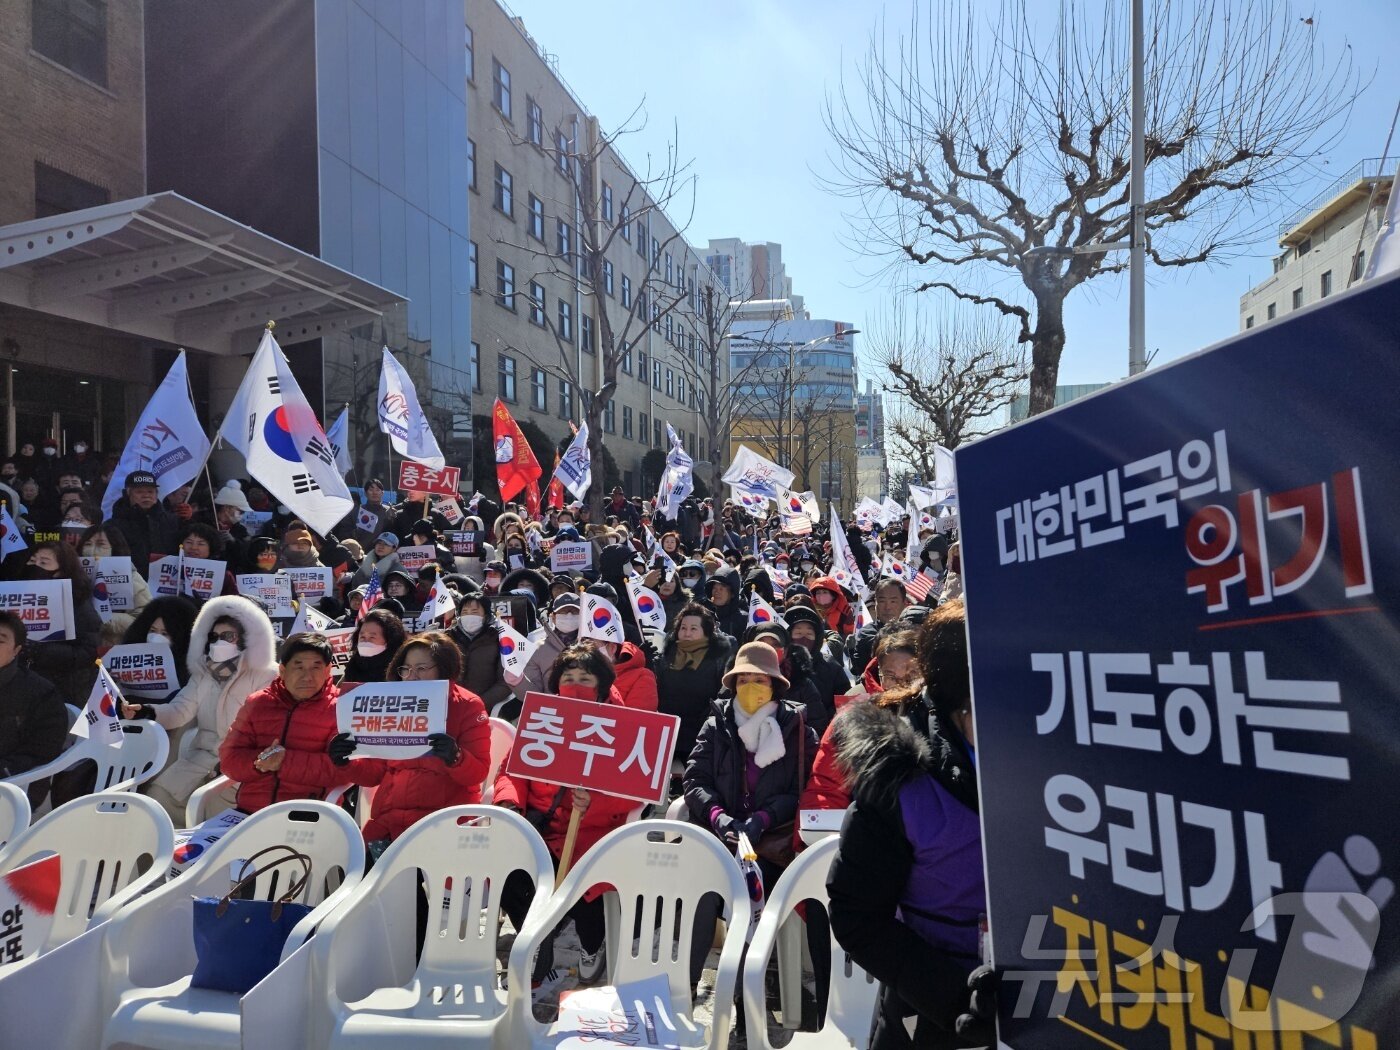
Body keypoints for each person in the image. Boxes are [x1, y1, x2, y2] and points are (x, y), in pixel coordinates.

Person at [826, 600, 994, 1049]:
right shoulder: (901, 781)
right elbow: (857, 914)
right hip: (933, 1011)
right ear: (956, 707)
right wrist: (951, 997)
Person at [494, 643, 640, 985]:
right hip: (539, 826)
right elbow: (511, 771)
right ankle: (536, 937)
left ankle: (593, 944)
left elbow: (635, 790)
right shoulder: (541, 719)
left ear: (602, 684)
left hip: (591, 830)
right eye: (568, 678)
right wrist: (509, 804)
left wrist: (595, 801)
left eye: (585, 679)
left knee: (585, 891)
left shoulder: (625, 726)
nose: (575, 685)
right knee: (509, 876)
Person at [684, 641, 817, 989]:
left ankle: (744, 993)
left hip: (770, 843)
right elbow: (695, 780)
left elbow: (802, 789)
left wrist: (763, 819)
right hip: (720, 838)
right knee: (703, 891)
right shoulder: (716, 725)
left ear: (775, 685)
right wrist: (718, 817)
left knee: (755, 895)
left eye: (760, 679)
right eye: (743, 680)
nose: (751, 687)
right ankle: (686, 986)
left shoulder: (798, 729)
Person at [118, 595, 279, 823]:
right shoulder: (204, 671)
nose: (219, 642)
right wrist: (147, 711)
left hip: (243, 764)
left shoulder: (268, 675)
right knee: (157, 800)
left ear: (247, 638)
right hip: (201, 758)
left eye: (228, 636)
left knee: (213, 813)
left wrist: (239, 761)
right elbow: (180, 710)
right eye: (214, 636)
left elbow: (268, 729)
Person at [329, 631, 492, 844]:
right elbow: (374, 774)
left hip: (445, 821)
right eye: (406, 669)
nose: (411, 676)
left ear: (444, 669)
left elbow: (478, 773)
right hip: (390, 821)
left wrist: (456, 757)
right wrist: (346, 762)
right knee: (355, 858)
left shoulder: (467, 705)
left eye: (421, 669)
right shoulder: (391, 704)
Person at [218, 633, 377, 812]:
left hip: (308, 814)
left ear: (328, 671)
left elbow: (348, 772)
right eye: (299, 667)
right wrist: (259, 763)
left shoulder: (342, 707)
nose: (307, 677)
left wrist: (285, 762)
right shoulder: (258, 703)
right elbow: (229, 760)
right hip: (251, 811)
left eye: (316, 667)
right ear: (282, 671)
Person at [0, 610, 68, 805]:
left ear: (16, 650)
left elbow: (42, 751)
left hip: (16, 788)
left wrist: (5, 770)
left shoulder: (41, 693)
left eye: (0, 641)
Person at [655, 603, 733, 769]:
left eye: (693, 629)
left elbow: (724, 693)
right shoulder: (666, 657)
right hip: (667, 732)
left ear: (706, 631)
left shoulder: (718, 659)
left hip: (700, 733)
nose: (687, 633)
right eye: (683, 628)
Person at [22, 540, 101, 701]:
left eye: (44, 562)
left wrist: (40, 650)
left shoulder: (77, 604)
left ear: (60, 571)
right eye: (32, 560)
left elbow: (88, 652)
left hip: (62, 690)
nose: (35, 566)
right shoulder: (13, 598)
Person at [119, 594, 201, 689]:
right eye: (153, 631)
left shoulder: (193, 676)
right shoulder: (128, 662)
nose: (156, 638)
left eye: (164, 633)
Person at [108, 470, 179, 579]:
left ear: (157, 494)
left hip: (165, 581)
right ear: (128, 493)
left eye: (150, 492)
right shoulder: (112, 526)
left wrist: (187, 521)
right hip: (129, 581)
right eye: (139, 492)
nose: (146, 496)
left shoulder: (172, 521)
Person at [450, 591, 511, 716]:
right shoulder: (447, 638)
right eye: (464, 612)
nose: (469, 616)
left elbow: (505, 683)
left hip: (483, 709)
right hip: (449, 706)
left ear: (486, 616)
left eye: (475, 612)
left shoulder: (499, 639)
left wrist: (478, 704)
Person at [340, 607, 408, 684]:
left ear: (390, 640)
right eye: (362, 637)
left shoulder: (401, 670)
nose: (366, 641)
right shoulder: (352, 667)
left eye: (372, 637)